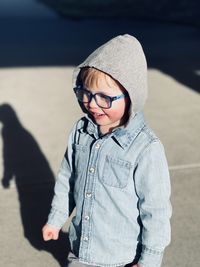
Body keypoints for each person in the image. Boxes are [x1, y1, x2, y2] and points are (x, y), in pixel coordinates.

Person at [42, 34, 172, 267]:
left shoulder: (146, 148)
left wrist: (149, 259)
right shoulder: (81, 132)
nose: (92, 104)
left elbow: (156, 211)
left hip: (121, 258)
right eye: (86, 93)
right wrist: (56, 218)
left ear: (131, 96)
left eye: (105, 97)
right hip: (80, 250)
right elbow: (66, 179)